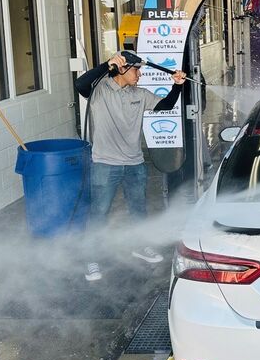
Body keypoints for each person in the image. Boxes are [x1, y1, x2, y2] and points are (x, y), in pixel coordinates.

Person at [74, 51, 186, 282]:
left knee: (138, 209)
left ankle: (140, 246)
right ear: (122, 69)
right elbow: (80, 84)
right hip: (105, 163)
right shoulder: (99, 90)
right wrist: (107, 64)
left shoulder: (139, 94)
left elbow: (165, 106)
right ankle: (91, 259)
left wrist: (177, 86)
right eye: (135, 70)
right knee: (99, 213)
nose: (139, 74)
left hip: (135, 163)